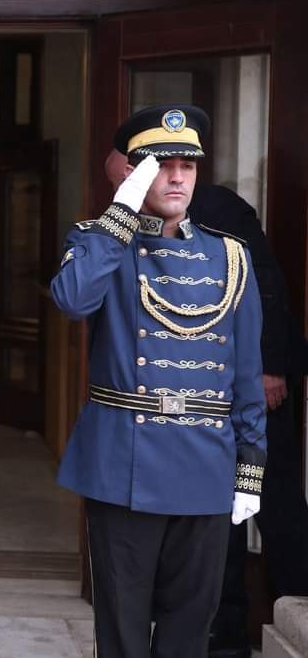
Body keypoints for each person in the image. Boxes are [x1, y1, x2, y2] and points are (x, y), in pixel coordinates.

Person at [53, 105, 267, 657]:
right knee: (122, 631)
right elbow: (73, 301)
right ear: (132, 173)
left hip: (206, 463)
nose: (176, 178)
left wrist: (250, 467)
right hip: (124, 461)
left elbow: (246, 375)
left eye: (186, 166)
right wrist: (120, 213)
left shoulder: (231, 257)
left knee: (189, 630)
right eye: (160, 165)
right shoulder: (99, 242)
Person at [106, 147, 308, 658]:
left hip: (239, 400)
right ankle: (228, 631)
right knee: (212, 543)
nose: (172, 179)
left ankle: (293, 601)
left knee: (274, 509)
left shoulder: (220, 212)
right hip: (174, 423)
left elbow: (263, 289)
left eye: (183, 168)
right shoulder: (120, 234)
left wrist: (272, 366)